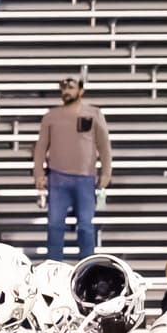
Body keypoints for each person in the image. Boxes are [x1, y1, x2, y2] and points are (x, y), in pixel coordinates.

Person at [35, 78, 110, 258]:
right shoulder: (51, 116)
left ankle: (88, 266)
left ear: (81, 91)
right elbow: (41, 146)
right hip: (57, 177)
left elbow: (104, 145)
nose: (66, 91)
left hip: (85, 178)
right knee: (55, 226)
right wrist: (38, 174)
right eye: (63, 88)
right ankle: (53, 267)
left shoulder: (94, 114)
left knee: (85, 226)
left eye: (70, 87)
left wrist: (106, 172)